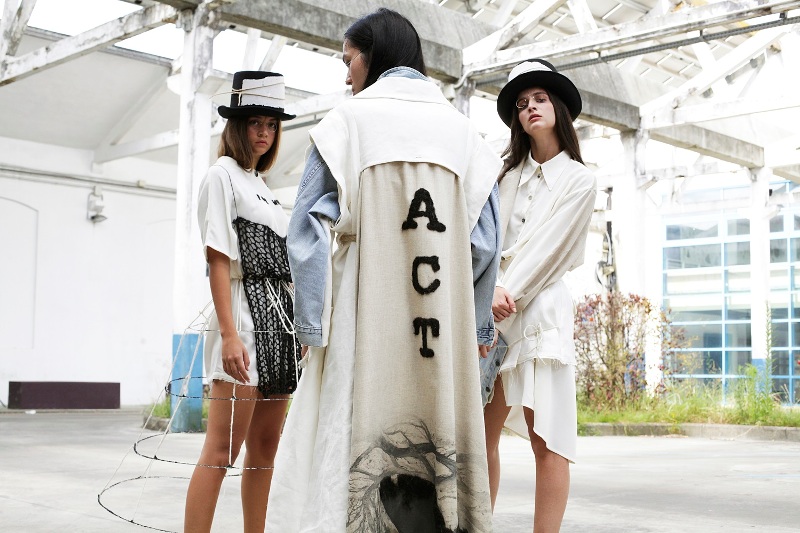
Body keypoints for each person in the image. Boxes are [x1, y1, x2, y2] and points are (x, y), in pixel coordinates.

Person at [265, 8, 502, 533]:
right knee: (436, 429)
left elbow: (305, 230)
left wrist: (311, 323)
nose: (346, 74)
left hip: (361, 303)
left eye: (348, 60)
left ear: (374, 57)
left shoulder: (347, 123)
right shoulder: (464, 134)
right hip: (441, 319)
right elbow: (485, 242)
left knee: (349, 430)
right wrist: (477, 323)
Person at [480, 59, 597, 533]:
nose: (530, 107)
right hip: (490, 316)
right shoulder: (502, 177)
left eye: (541, 99)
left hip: (540, 315)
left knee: (546, 440)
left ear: (559, 107)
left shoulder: (580, 180)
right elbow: (482, 242)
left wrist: (505, 292)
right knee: (478, 438)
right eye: (522, 103)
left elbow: (552, 249)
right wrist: (485, 298)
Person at [183, 71, 301, 533]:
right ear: (237, 125)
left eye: (271, 124)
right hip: (242, 320)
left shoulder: (264, 188)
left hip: (278, 326)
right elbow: (217, 259)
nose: (264, 132)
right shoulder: (221, 176)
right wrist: (230, 335)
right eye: (255, 122)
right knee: (221, 450)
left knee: (266, 450)